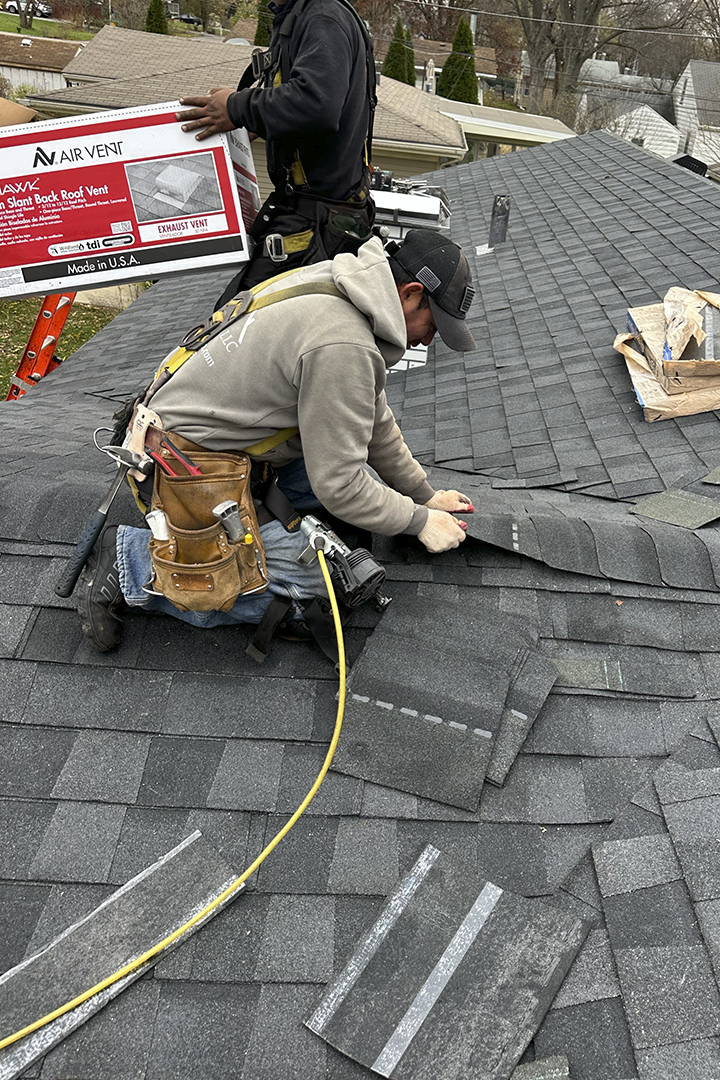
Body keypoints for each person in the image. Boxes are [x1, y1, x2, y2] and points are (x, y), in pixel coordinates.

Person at [76, 229, 477, 654]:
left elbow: (373, 421)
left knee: (352, 512)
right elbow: (340, 485)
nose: (429, 340)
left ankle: (260, 528)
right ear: (412, 293)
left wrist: (423, 497)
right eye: (433, 324)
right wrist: (419, 522)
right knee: (330, 583)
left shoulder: (345, 287)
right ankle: (127, 564)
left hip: (219, 448)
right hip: (184, 473)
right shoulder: (342, 342)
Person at [176, 0, 376, 303]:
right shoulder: (304, 15)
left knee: (237, 329)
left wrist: (237, 106)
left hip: (316, 223)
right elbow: (309, 108)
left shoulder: (323, 16)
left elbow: (316, 105)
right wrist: (254, 122)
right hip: (313, 213)